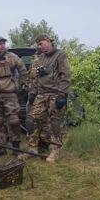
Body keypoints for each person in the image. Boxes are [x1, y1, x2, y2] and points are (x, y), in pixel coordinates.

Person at [21, 34, 70, 162]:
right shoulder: (40, 58)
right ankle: (32, 149)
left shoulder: (60, 55)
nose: (39, 46)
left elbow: (65, 76)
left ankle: (55, 150)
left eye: (40, 43)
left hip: (55, 93)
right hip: (41, 94)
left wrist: (62, 95)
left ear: (48, 41)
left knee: (55, 123)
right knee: (30, 120)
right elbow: (36, 78)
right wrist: (32, 93)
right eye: (38, 44)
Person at [0, 36, 28, 156]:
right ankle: (1, 147)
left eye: (4, 43)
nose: (2, 45)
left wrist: (21, 85)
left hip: (10, 94)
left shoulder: (12, 57)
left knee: (14, 121)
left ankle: (16, 147)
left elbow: (23, 70)